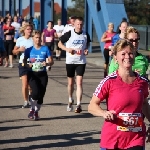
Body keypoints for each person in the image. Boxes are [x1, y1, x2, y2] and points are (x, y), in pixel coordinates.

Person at [88, 39, 150, 150]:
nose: (127, 56)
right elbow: (92, 106)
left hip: (136, 137)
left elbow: (145, 104)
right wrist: (103, 113)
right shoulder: (109, 81)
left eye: (130, 53)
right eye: (123, 54)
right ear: (115, 58)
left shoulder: (142, 82)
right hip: (113, 138)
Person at [58, 17, 91, 113]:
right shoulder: (69, 34)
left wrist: (86, 49)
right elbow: (59, 44)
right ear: (74, 24)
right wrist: (67, 49)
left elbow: (87, 44)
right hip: (70, 61)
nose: (79, 26)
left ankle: (79, 104)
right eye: (78, 24)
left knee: (79, 82)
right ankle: (70, 99)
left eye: (81, 24)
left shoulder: (85, 34)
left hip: (81, 61)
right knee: (70, 83)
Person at [23, 30, 54, 120]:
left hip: (43, 74)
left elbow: (51, 61)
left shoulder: (45, 49)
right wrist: (28, 65)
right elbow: (24, 61)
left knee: (41, 95)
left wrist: (47, 64)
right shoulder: (29, 50)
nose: (38, 39)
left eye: (39, 37)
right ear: (33, 38)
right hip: (32, 74)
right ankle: (32, 109)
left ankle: (36, 111)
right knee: (35, 93)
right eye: (36, 37)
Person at [12, 24, 33, 108]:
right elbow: (14, 51)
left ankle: (31, 96)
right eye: (28, 29)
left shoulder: (33, 39)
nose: (29, 31)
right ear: (24, 30)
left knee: (30, 84)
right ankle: (25, 101)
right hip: (23, 63)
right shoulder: (20, 40)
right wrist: (19, 49)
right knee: (25, 83)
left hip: (32, 63)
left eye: (31, 29)